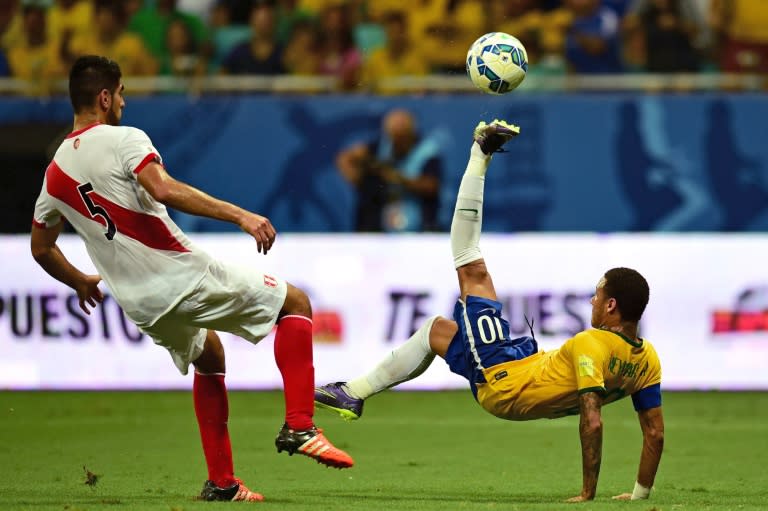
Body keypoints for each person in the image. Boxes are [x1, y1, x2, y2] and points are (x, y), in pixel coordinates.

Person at [30, 55, 353, 503]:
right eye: (120, 93)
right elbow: (163, 188)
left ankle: (222, 483)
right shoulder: (125, 139)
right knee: (295, 303)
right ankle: (299, 425)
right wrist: (241, 214)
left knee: (210, 354)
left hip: (139, 304)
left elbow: (41, 248)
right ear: (104, 97)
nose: (123, 102)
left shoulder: (54, 173)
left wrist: (80, 281)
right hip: (179, 275)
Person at [316, 120, 664, 502]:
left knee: (471, 267)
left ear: (612, 305)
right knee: (437, 332)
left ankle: (479, 154)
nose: (592, 302)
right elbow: (654, 431)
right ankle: (353, 392)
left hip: (505, 382)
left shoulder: (591, 344)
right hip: (523, 364)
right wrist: (639, 496)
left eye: (597, 296)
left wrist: (587, 494)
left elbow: (592, 419)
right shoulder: (647, 359)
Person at [336, 108, 443, 232]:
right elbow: (345, 158)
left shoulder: (427, 152)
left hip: (417, 223)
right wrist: (357, 180)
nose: (398, 140)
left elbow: (432, 186)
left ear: (412, 132)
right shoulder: (376, 148)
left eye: (402, 136)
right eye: (394, 135)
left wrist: (398, 178)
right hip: (376, 224)